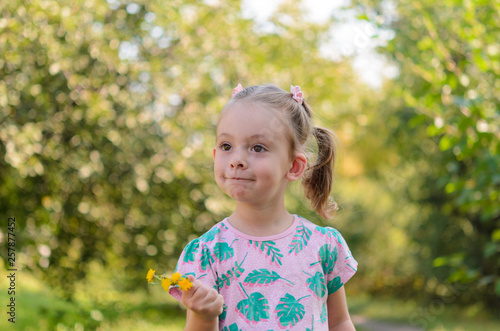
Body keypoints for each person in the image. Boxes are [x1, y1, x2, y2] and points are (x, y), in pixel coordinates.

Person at [169, 84, 358, 330]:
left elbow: (340, 322)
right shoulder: (206, 253)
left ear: (294, 167)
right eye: (227, 146)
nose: (236, 160)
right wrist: (203, 316)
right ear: (215, 155)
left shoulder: (323, 245)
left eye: (257, 148)